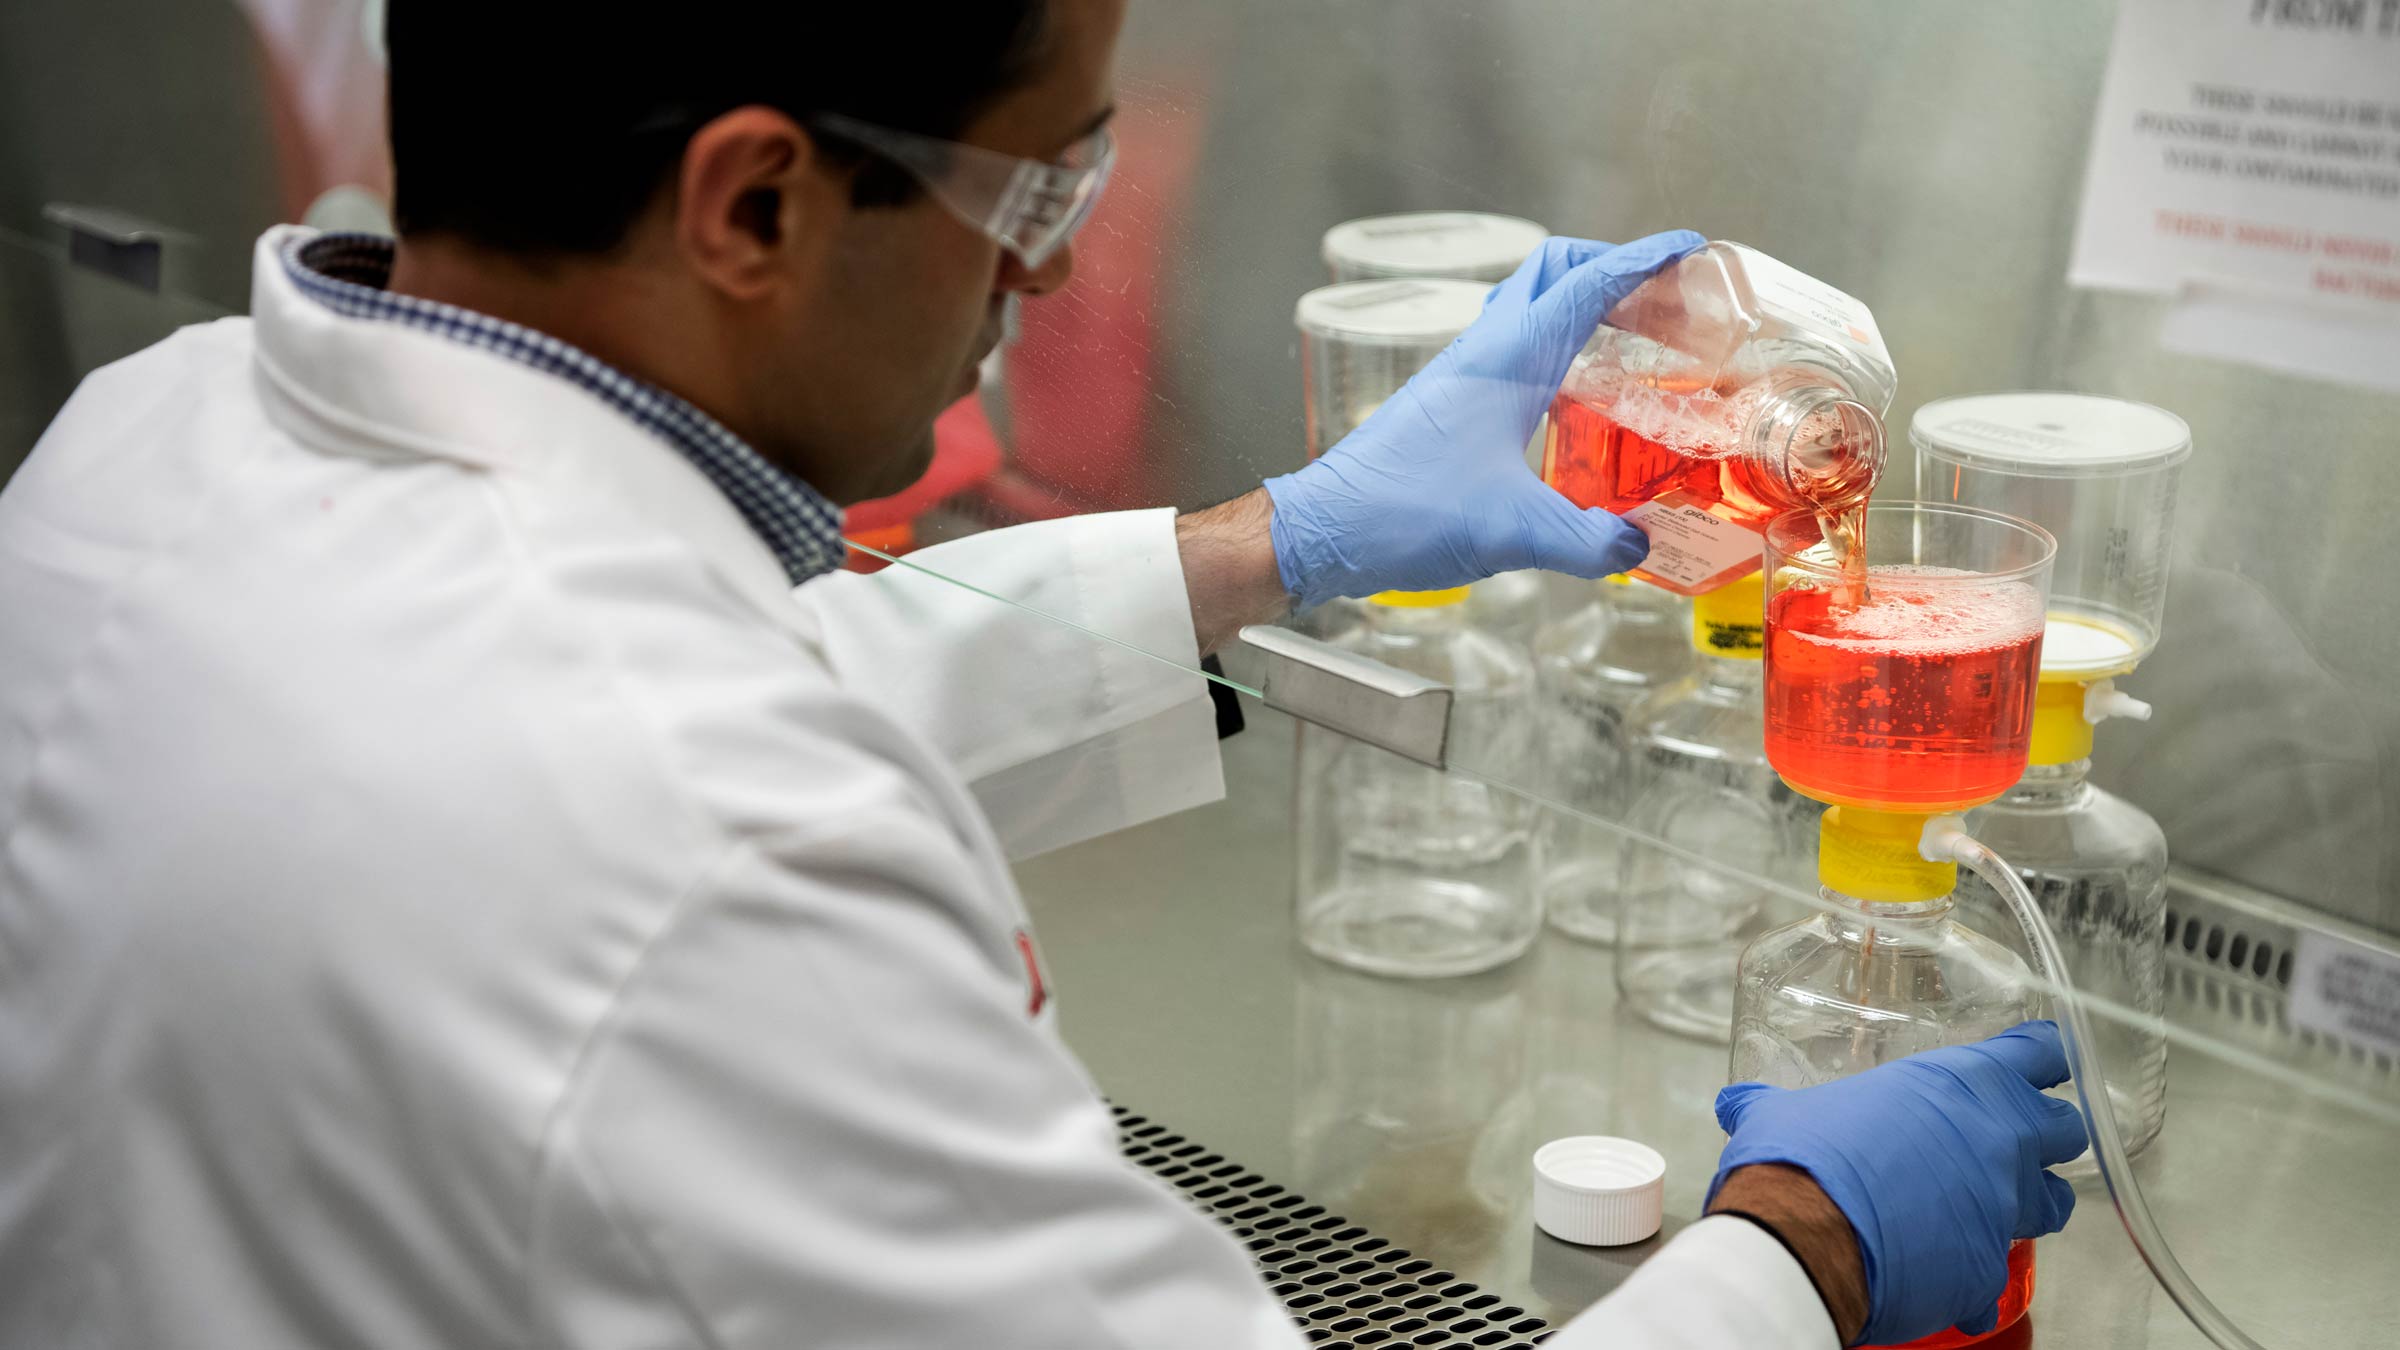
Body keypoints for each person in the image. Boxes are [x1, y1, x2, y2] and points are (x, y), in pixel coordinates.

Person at [0, 3, 2084, 1347]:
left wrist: (1279, 544)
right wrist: (1790, 1247)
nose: (1064, 267)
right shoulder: (712, 870)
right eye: (1041, 184)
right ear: (753, 199)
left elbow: (653, 688)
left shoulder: (150, 442)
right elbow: (669, 798)